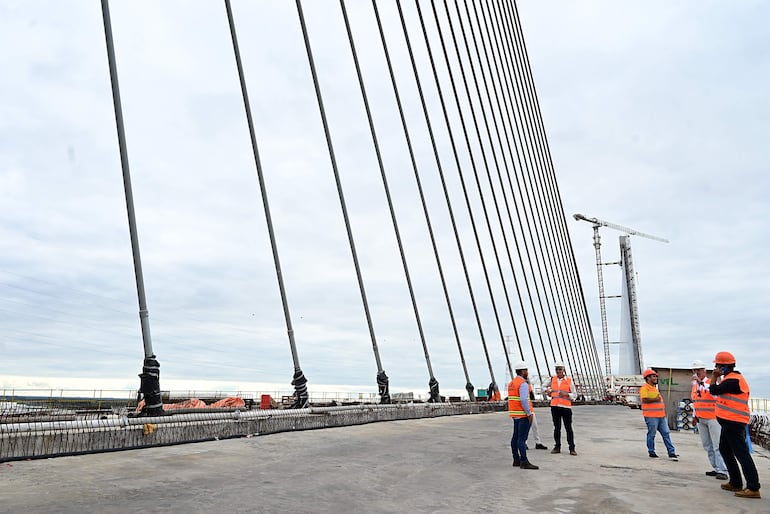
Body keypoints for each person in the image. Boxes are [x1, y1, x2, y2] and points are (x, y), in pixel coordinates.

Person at [709, 351, 761, 499]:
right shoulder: (730, 379)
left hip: (734, 422)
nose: (716, 368)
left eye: (718, 366)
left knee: (741, 453)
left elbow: (714, 390)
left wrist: (714, 377)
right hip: (729, 422)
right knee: (725, 450)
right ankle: (736, 482)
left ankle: (753, 487)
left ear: (724, 367)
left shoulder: (733, 380)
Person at [690, 359, 728, 480]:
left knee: (717, 445)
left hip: (713, 418)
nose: (697, 373)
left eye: (699, 370)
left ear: (704, 371)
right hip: (701, 419)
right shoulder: (695, 386)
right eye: (695, 371)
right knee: (707, 445)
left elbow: (714, 394)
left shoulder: (710, 383)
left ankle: (723, 470)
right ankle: (716, 467)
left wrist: (701, 383)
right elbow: (695, 401)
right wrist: (694, 416)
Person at [639, 368, 678, 459]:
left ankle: (671, 452)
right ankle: (651, 451)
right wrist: (655, 399)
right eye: (653, 376)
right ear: (648, 378)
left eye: (656, 376)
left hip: (661, 416)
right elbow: (644, 400)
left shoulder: (654, 389)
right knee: (652, 434)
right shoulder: (645, 388)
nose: (656, 378)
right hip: (651, 416)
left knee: (666, 433)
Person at [507, 361, 538, 469]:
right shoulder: (523, 384)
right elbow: (524, 399)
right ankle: (524, 461)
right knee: (521, 439)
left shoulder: (511, 383)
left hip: (515, 414)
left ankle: (516, 459)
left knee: (515, 437)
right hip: (523, 414)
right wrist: (529, 413)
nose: (527, 372)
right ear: (523, 371)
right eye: (526, 370)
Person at [544, 362, 577, 455]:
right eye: (557, 369)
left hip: (566, 407)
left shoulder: (569, 381)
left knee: (568, 428)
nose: (558, 371)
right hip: (555, 406)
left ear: (564, 370)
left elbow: (575, 395)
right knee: (557, 428)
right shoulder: (552, 379)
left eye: (560, 369)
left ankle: (572, 448)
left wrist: (567, 394)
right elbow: (543, 386)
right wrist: (547, 391)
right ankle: (557, 446)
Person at [526, 379, 548, 450]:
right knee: (527, 427)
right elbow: (531, 396)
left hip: (530, 409)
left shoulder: (527, 386)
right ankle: (525, 442)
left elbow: (531, 396)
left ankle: (537, 442)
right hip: (525, 409)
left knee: (534, 426)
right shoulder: (524, 386)